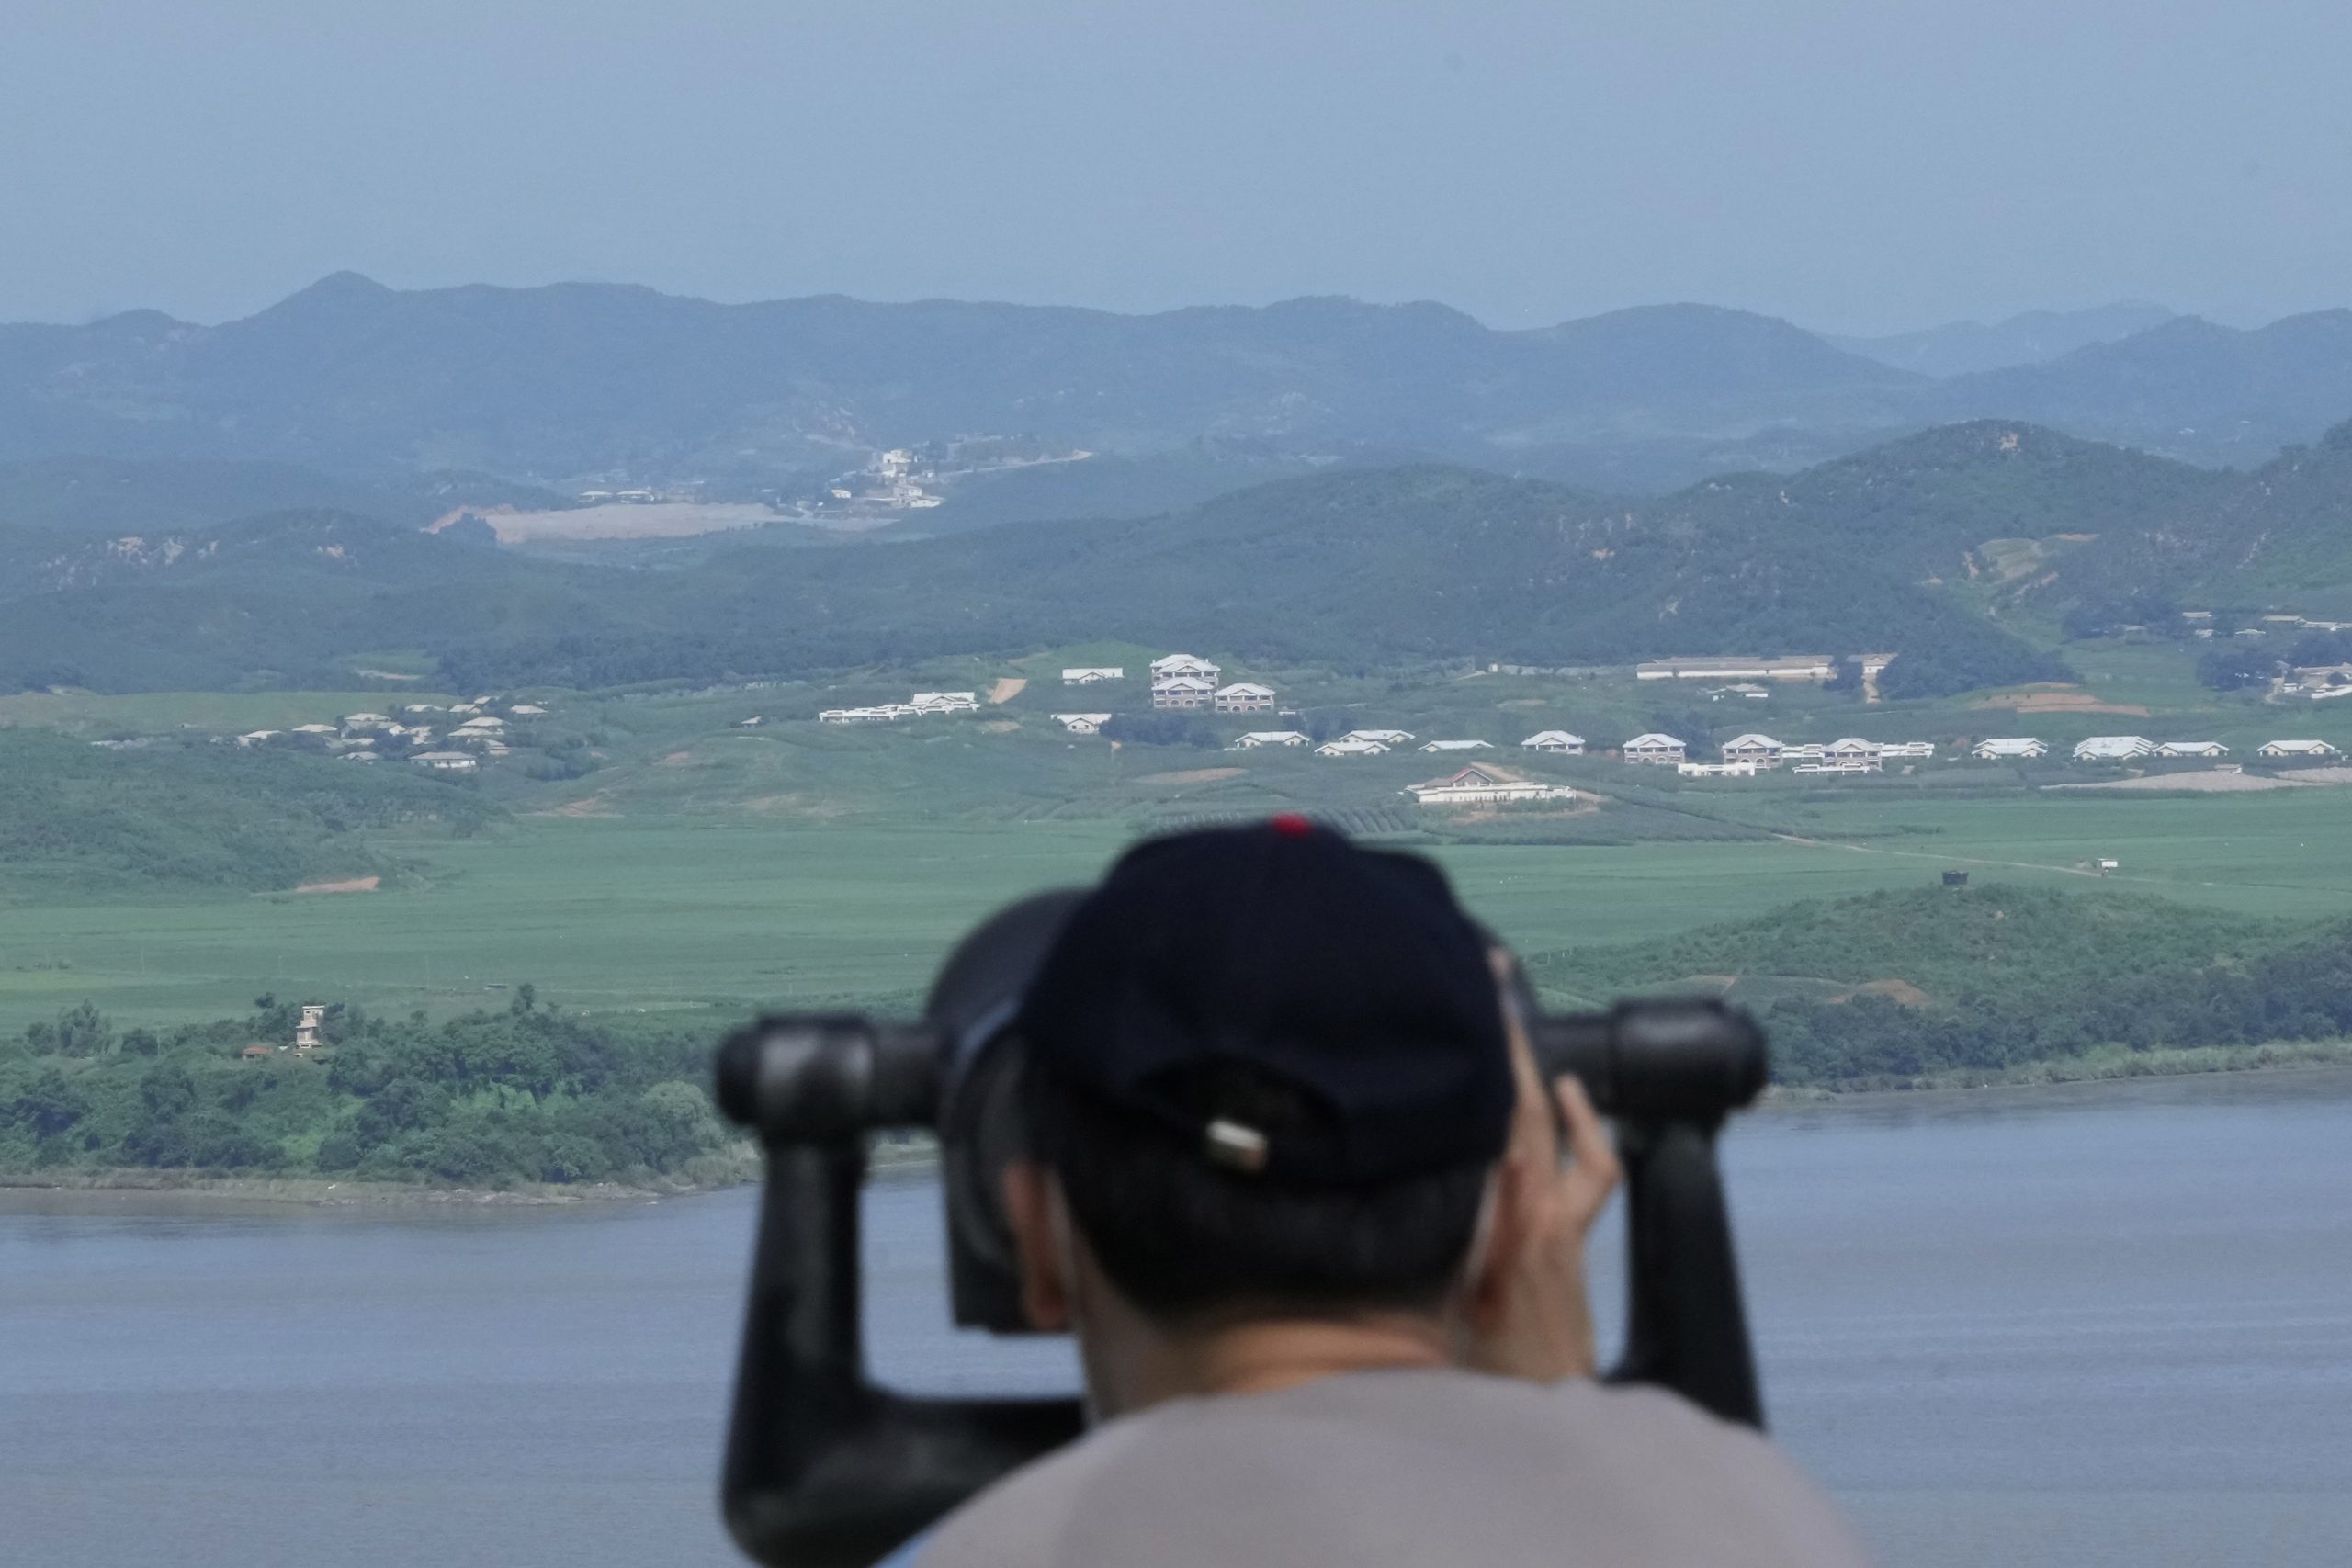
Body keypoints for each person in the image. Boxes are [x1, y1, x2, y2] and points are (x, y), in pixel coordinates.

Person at [886, 818, 1869, 1567]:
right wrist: (1567, 1427)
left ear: (1034, 1241)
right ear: (1519, 1224)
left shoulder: (998, 1549)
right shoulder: (1751, 1523)